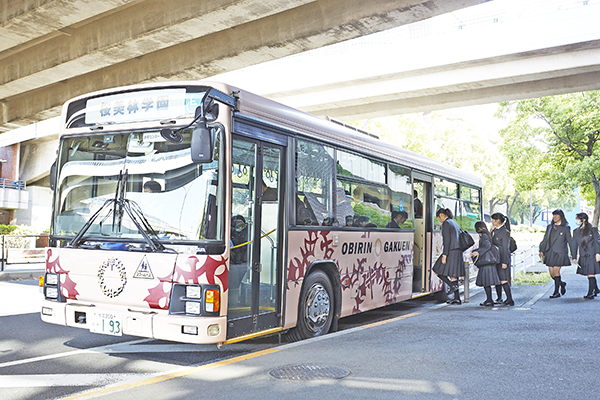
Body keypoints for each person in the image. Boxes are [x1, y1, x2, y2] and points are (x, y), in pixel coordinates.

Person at [539, 209, 575, 298]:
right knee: (552, 274)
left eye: (557, 215)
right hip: (550, 252)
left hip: (560, 253)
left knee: (556, 271)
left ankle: (556, 292)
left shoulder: (566, 228)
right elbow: (545, 239)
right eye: (553, 215)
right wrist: (541, 250)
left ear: (561, 217)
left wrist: (573, 255)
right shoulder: (549, 227)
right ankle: (562, 284)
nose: (554, 217)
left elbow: (570, 242)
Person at [432, 208, 463, 305]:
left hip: (450, 251)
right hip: (457, 252)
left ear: (441, 215)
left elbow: (447, 241)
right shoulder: (454, 223)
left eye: (438, 218)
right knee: (453, 275)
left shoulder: (446, 224)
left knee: (436, 269)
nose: (439, 220)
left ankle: (452, 286)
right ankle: (457, 298)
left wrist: (444, 255)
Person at [471, 221, 501, 306]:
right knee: (487, 282)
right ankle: (489, 299)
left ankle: (489, 300)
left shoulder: (484, 236)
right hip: (489, 262)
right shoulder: (487, 234)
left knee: (486, 282)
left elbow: (487, 246)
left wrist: (478, 252)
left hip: (486, 262)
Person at [570, 212, 600, 299]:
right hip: (583, 255)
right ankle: (596, 289)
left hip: (592, 254)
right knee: (588, 273)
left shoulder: (592, 229)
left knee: (590, 273)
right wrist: (574, 256)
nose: (576, 220)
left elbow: (597, 241)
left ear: (583, 220)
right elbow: (574, 244)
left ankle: (590, 293)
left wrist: (598, 253)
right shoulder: (576, 231)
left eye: (577, 219)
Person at [490, 213, 514, 306]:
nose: (492, 221)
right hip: (496, 258)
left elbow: (505, 248)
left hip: (502, 258)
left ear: (498, 221)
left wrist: (504, 262)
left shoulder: (504, 232)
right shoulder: (495, 230)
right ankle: (499, 298)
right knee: (498, 279)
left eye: (493, 219)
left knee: (503, 279)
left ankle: (509, 299)